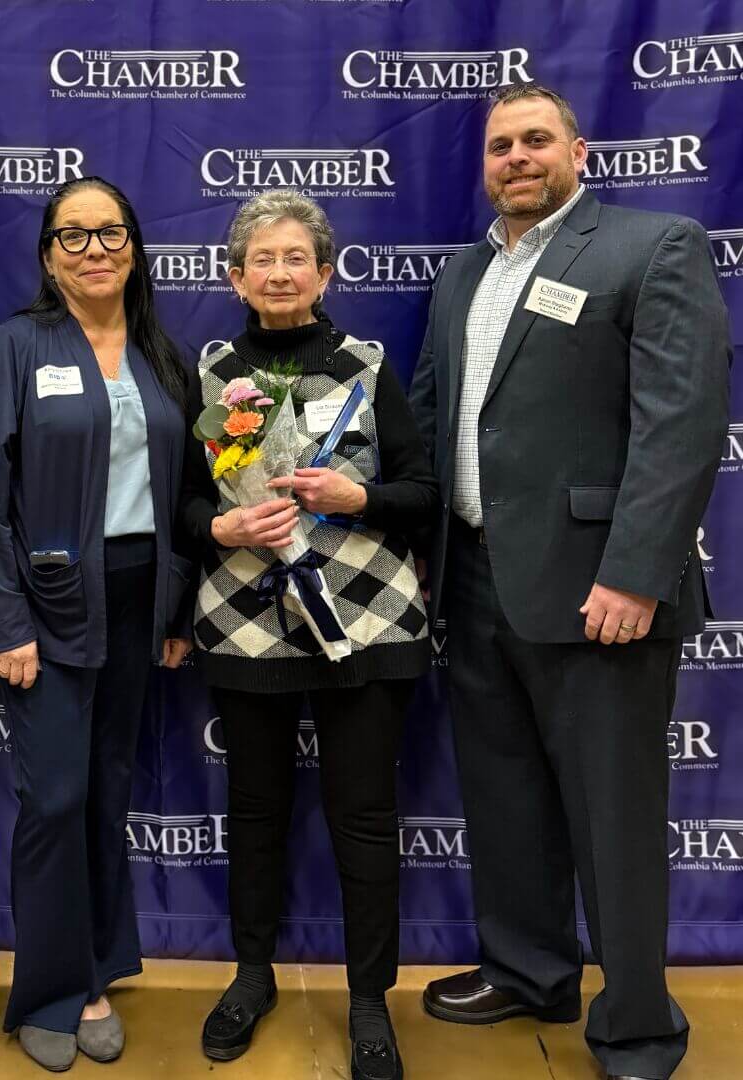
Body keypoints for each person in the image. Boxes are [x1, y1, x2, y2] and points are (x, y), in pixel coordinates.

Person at [409, 84, 731, 1080]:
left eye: (535, 140)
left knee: (615, 817)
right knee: (506, 800)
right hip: (475, 581)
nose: (516, 157)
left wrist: (636, 573)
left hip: (602, 594)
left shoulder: (654, 246)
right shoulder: (466, 272)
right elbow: (431, 412)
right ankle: (527, 970)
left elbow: (682, 426)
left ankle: (637, 1025)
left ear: (578, 152)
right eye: (501, 145)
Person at [180, 189, 438, 1080]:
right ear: (234, 277)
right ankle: (252, 977)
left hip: (366, 621)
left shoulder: (367, 367)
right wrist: (217, 530)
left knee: (363, 820)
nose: (280, 272)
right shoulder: (210, 377)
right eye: (263, 259)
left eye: (298, 257)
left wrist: (357, 496)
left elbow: (422, 493)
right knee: (254, 815)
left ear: (325, 273)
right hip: (247, 624)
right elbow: (180, 507)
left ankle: (369, 1000)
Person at [0, 176, 194, 1072]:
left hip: (137, 599)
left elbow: (181, 497)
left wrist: (174, 611)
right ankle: (52, 990)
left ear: (134, 245)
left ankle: (97, 972)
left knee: (106, 788)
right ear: (48, 255)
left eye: (111, 232)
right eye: (72, 235)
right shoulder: (16, 348)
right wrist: (3, 622)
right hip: (46, 607)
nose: (94, 249)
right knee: (53, 799)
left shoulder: (164, 353)